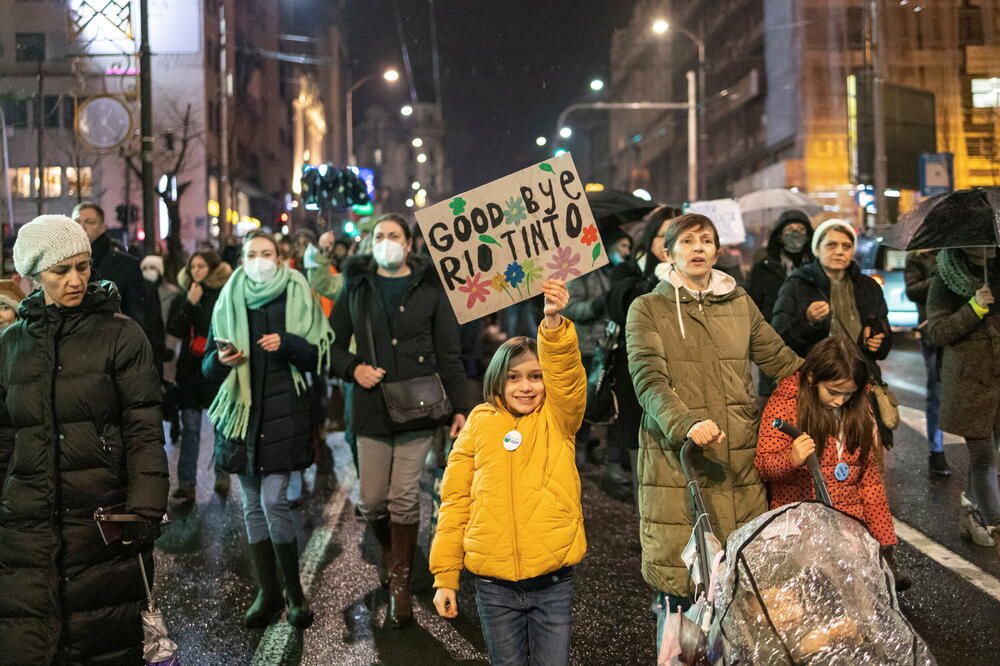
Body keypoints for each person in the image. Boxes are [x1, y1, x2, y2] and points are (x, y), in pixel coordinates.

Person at [0, 215, 168, 664]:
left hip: (102, 517)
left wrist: (145, 508)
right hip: (27, 525)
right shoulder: (12, 344)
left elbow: (143, 425)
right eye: (61, 271)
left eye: (83, 267)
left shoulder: (121, 335)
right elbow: (4, 434)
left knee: (103, 641)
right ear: (34, 276)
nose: (75, 280)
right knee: (30, 640)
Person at [625, 213, 801, 623]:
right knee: (685, 597)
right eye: (687, 241)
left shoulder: (739, 302)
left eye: (706, 240)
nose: (698, 247)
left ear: (718, 252)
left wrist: (841, 384)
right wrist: (685, 423)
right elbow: (648, 379)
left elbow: (782, 361)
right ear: (668, 253)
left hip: (738, 461)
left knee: (743, 589)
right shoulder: (648, 308)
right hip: (678, 461)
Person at [430, 279, 586, 665]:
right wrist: (445, 576)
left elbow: (566, 375)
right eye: (514, 377)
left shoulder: (559, 417)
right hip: (494, 589)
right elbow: (454, 503)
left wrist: (552, 325)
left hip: (552, 584)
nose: (526, 386)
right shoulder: (479, 423)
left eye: (535, 376)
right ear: (497, 379)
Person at [329, 213, 469, 628]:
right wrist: (353, 367)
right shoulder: (356, 286)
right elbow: (332, 343)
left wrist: (460, 407)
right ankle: (396, 557)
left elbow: (449, 352)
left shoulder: (431, 287)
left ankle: (400, 583)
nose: (386, 241)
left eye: (394, 235)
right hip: (370, 408)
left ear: (409, 244)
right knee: (373, 500)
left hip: (419, 408)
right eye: (379, 236)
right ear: (370, 243)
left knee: (404, 497)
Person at [202, 230, 334, 629]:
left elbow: (317, 356)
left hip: (284, 413)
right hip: (241, 417)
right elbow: (207, 367)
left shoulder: (296, 290)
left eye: (267, 253)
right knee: (251, 508)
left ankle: (294, 595)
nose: (260, 260)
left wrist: (289, 343)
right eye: (252, 254)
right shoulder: (229, 296)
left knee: (274, 501)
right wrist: (222, 360)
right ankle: (268, 592)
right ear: (242, 259)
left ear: (280, 258)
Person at [756, 336, 908, 590]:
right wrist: (790, 459)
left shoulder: (859, 409)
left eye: (848, 394)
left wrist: (883, 541)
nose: (840, 401)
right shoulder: (786, 402)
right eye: (834, 391)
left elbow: (870, 481)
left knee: (854, 607)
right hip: (800, 529)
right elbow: (763, 464)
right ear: (813, 377)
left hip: (849, 529)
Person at [771, 219, 893, 445]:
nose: (839, 251)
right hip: (816, 388)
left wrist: (879, 341)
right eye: (831, 245)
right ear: (817, 249)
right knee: (819, 453)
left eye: (846, 246)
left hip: (859, 386)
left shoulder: (868, 286)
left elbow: (884, 332)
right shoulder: (798, 285)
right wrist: (807, 321)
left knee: (864, 454)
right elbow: (778, 339)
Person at [926, 247, 1000, 550]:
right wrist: (974, 307)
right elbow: (938, 332)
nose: (980, 247)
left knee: (990, 452)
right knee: (984, 457)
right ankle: (994, 518)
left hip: (998, 377)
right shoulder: (945, 277)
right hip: (970, 382)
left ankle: (970, 514)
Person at [605, 206, 679, 501]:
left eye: (680, 237)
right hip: (637, 380)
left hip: (683, 381)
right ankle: (647, 530)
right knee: (643, 461)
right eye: (664, 236)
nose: (670, 244)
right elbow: (619, 307)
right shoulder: (629, 271)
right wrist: (656, 282)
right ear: (650, 239)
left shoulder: (701, 277)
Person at [166, 250, 233, 503]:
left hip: (215, 366)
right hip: (189, 370)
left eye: (201, 266)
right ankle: (186, 483)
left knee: (221, 427)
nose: (196, 271)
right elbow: (174, 329)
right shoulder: (184, 295)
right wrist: (189, 303)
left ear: (212, 269)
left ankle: (223, 473)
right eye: (193, 266)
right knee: (190, 428)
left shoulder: (222, 295)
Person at [904, 249, 950, 476]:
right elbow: (912, 290)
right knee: (936, 391)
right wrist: (939, 279)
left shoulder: (958, 252)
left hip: (966, 331)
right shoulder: (919, 255)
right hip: (932, 330)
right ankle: (937, 450)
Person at [72, 201, 150, 334]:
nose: (82, 227)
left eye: (90, 222)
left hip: (113, 343)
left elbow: (137, 315)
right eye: (77, 222)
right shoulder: (64, 264)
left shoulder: (127, 265)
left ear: (103, 227)